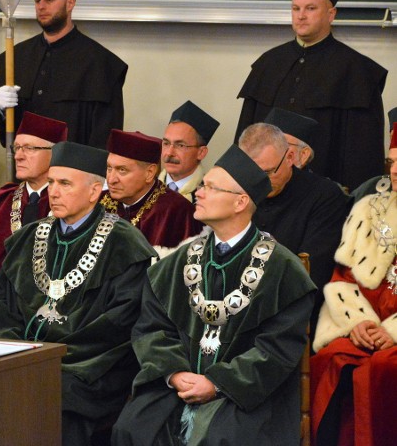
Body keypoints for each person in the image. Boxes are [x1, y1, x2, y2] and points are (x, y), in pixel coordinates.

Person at [112, 145, 316, 445]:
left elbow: (276, 349)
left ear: (240, 202)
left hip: (246, 394)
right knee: (133, 428)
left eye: (210, 187)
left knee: (224, 437)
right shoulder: (176, 263)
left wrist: (217, 383)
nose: (199, 193)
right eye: (202, 186)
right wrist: (174, 373)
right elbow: (152, 329)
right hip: (177, 386)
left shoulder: (282, 269)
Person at [0, 141, 155, 446]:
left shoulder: (124, 244)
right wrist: (14, 349)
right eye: (50, 182)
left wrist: (50, 358)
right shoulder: (29, 237)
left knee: (57, 397)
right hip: (20, 359)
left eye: (64, 183)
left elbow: (119, 324)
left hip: (89, 370)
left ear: (94, 191)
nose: (53, 192)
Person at [235, 0, 388, 191]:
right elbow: (245, 138)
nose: (301, 15)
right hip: (264, 194)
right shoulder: (268, 63)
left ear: (331, 14)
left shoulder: (357, 71)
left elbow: (363, 157)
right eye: (295, 8)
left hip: (324, 198)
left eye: (311, 8)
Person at [310, 132, 397, 446]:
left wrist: (392, 331)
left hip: (393, 333)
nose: (395, 170)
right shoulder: (368, 210)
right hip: (367, 324)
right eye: (392, 162)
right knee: (332, 358)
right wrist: (358, 321)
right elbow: (342, 278)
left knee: (384, 369)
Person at [0, 0, 128, 148]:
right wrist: (1, 110)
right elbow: (6, 128)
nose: (41, 6)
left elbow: (106, 136)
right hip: (25, 169)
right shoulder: (16, 57)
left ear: (70, 3)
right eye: (37, 0)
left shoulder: (101, 63)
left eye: (49, 0)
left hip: (73, 171)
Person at [239, 122, 351, 331]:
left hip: (286, 311)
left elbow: (312, 273)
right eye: (253, 172)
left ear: (289, 158)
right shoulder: (236, 188)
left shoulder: (324, 195)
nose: (261, 181)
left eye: (269, 172)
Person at [0, 112, 68, 279]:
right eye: (16, 147)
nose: (18, 156)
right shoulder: (2, 201)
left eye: (29, 148)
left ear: (54, 153)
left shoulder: (70, 203)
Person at [103, 129, 203, 253]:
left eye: (122, 170)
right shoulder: (98, 201)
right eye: (109, 168)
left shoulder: (178, 212)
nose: (111, 179)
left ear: (150, 173)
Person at [159, 100, 220, 203]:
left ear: (201, 153)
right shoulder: (146, 188)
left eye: (180, 145)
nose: (169, 153)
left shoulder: (210, 197)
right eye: (166, 143)